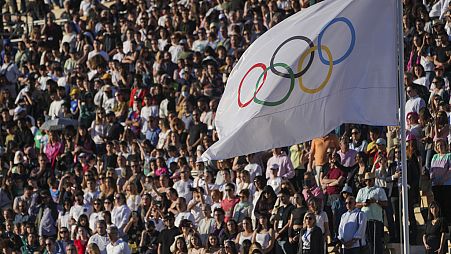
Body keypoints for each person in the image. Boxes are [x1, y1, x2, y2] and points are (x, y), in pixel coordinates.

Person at [355, 172, 387, 254]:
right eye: (366, 181)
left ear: (374, 180)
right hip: (365, 220)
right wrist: (363, 204)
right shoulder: (361, 191)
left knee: (377, 242)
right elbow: (356, 204)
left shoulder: (379, 190)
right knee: (367, 242)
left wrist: (376, 201)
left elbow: (385, 203)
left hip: (376, 220)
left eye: (369, 180)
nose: (368, 182)